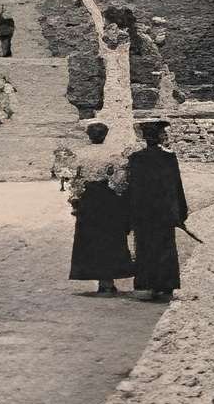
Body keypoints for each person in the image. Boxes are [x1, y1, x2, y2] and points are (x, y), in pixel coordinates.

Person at [123, 120, 191, 302]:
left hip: (143, 211)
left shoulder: (136, 158)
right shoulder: (168, 158)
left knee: (145, 247)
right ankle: (166, 285)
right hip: (163, 211)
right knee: (165, 247)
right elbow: (176, 187)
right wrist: (180, 212)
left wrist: (130, 214)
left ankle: (149, 284)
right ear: (160, 136)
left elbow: (132, 188)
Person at [67, 122, 133, 296]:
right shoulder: (113, 153)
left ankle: (101, 281)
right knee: (109, 237)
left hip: (88, 198)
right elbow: (121, 177)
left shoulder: (80, 154)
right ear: (105, 135)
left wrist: (75, 201)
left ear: (89, 135)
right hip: (107, 196)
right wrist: (117, 190)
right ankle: (108, 281)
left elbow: (74, 180)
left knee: (91, 237)